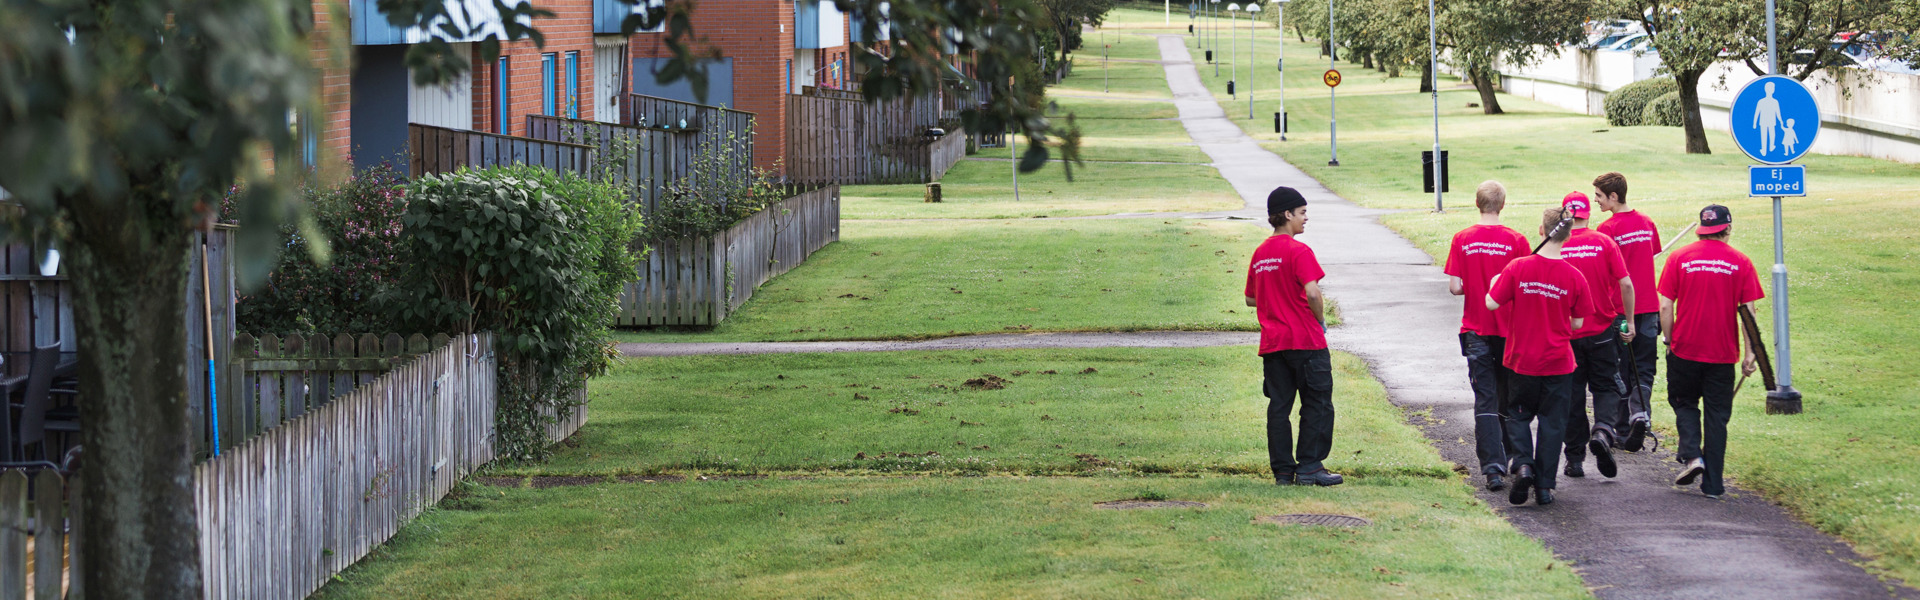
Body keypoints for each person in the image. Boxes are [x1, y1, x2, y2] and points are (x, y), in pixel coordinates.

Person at [1486, 207, 1595, 506]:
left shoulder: (1517, 268)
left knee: (1518, 416)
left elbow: (1491, 303)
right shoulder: (1574, 276)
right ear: (1569, 234)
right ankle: (1545, 487)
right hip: (1558, 364)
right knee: (1552, 423)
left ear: (1541, 230)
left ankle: (1523, 465)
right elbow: (1577, 323)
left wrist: (1497, 279)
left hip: (1522, 360)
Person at [1659, 205, 1764, 499]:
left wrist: (1669, 340)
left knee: (1684, 402)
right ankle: (1714, 485)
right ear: (1727, 228)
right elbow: (1749, 313)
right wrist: (1750, 352)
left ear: (1700, 229)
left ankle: (1692, 456)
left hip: (1685, 349)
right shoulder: (1741, 262)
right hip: (1722, 354)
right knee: (1717, 416)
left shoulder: (1679, 258)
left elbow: (1666, 306)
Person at [1244, 186, 1342, 487]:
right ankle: (1311, 466)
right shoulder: (1298, 250)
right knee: (1317, 403)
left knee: (1279, 407)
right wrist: (1320, 318)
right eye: (1302, 213)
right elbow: (1312, 291)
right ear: (1287, 214)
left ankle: (1283, 471)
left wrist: (1277, 298)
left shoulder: (1260, 253)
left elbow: (1250, 299)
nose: (1305, 218)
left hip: (1273, 344)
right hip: (1306, 340)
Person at [1445, 181, 1529, 491]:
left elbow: (1455, 287)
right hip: (1509, 331)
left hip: (1475, 328)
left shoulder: (1462, 239)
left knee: (1485, 399)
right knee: (1510, 396)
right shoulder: (1516, 240)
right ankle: (1511, 456)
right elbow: (1522, 285)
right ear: (1502, 205)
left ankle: (1492, 468)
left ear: (1477, 203)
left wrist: (1475, 286)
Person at [1556, 192, 1633, 480]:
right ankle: (1602, 430)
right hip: (1602, 330)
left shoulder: (1556, 244)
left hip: (1567, 334)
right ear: (1588, 214)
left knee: (1571, 396)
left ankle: (1574, 459)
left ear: (1566, 214)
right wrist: (1630, 321)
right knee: (1606, 387)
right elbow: (1625, 283)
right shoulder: (1604, 242)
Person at [1593, 172, 1660, 451]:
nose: (1595, 200)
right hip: (1650, 307)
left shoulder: (1607, 230)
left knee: (1620, 368)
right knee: (1644, 368)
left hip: (1621, 309)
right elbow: (1652, 254)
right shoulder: (1646, 223)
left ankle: (1622, 429)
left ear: (1613, 197)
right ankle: (1640, 415)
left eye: (1598, 195)